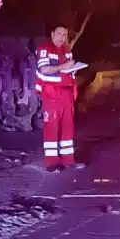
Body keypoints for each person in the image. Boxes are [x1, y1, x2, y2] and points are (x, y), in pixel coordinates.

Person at [34, 24, 83, 172]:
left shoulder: (67, 50)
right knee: (52, 127)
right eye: (60, 34)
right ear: (52, 33)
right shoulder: (45, 48)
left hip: (66, 94)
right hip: (52, 94)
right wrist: (65, 66)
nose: (62, 37)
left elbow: (69, 70)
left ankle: (68, 160)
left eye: (65, 35)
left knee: (67, 128)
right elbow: (44, 69)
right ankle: (52, 163)